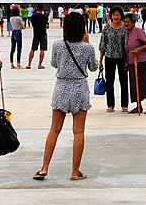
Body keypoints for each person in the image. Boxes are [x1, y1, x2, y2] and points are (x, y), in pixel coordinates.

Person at [33, 12, 96, 181]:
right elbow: (93, 67)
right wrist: (87, 43)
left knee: (54, 129)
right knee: (78, 131)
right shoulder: (87, 47)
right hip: (79, 89)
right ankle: (75, 172)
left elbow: (54, 63)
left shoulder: (58, 45)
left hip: (61, 87)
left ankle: (44, 168)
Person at [123, 13, 146, 114]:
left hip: (143, 61)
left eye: (128, 22)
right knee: (134, 84)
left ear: (133, 22)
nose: (125, 24)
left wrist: (138, 50)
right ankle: (139, 105)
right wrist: (126, 62)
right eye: (124, 22)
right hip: (131, 62)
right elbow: (127, 49)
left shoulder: (139, 31)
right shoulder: (126, 33)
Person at [99, 6, 129, 113]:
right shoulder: (106, 28)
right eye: (114, 15)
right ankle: (110, 104)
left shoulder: (125, 28)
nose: (116, 17)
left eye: (118, 15)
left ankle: (125, 104)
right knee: (109, 82)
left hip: (123, 58)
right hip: (109, 57)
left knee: (124, 81)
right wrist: (100, 60)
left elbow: (128, 44)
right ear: (110, 16)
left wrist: (128, 59)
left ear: (121, 16)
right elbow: (102, 44)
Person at [27, 5, 49, 69]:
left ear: (37, 9)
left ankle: (29, 64)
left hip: (36, 34)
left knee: (33, 49)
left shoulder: (33, 17)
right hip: (43, 34)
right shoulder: (45, 17)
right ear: (42, 9)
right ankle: (40, 64)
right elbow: (47, 26)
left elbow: (33, 25)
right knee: (42, 50)